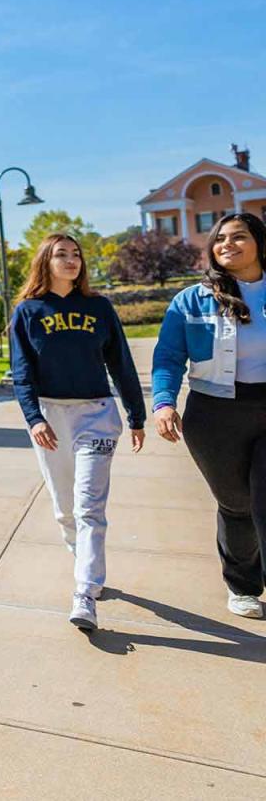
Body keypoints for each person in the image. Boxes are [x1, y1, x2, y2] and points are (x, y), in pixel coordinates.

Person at [9, 234, 146, 632]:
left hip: (96, 416)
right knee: (64, 507)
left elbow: (121, 363)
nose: (71, 261)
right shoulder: (28, 311)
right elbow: (22, 373)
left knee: (89, 508)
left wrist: (136, 414)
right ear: (45, 262)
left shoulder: (99, 308)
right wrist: (34, 418)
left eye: (76, 254)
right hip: (51, 417)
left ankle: (84, 591)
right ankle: (83, 561)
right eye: (61, 255)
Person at [151, 212, 266, 619]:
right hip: (214, 416)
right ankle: (243, 587)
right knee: (236, 505)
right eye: (220, 239)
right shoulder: (191, 300)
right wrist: (163, 402)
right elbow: (167, 357)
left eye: (238, 237)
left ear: (259, 241)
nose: (227, 245)